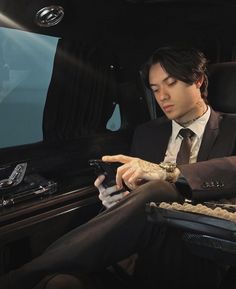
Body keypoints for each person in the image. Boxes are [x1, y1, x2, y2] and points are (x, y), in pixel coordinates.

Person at [1, 45, 236, 289]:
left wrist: (167, 173)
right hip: (139, 243)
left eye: (171, 83)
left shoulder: (232, 127)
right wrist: (118, 199)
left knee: (160, 190)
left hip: (201, 245)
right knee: (61, 284)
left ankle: (20, 278)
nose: (162, 96)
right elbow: (138, 197)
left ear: (197, 80)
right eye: (155, 89)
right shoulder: (148, 133)